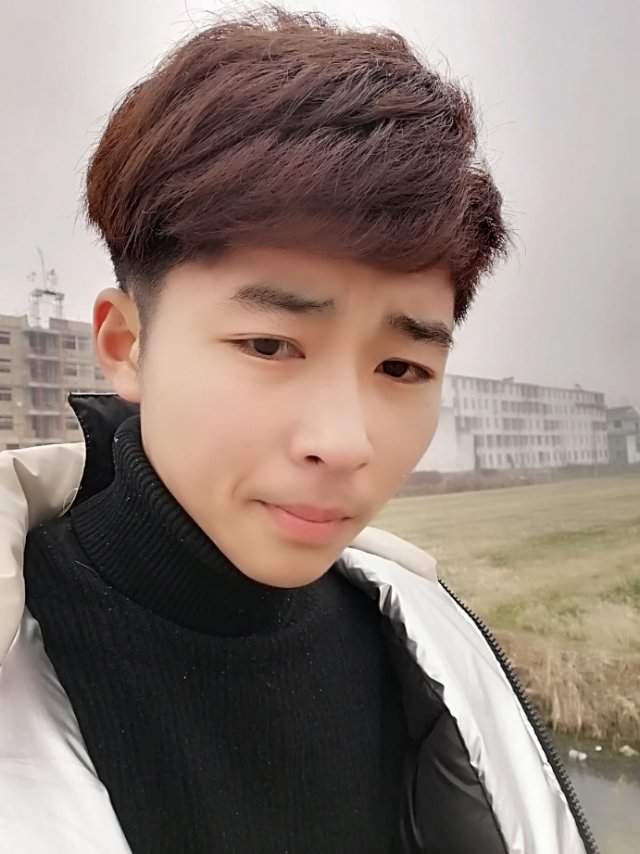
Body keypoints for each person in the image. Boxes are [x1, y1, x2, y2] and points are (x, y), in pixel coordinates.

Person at [0, 7, 597, 854]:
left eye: (402, 368)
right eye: (270, 346)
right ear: (126, 344)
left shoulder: (440, 659)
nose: (346, 442)